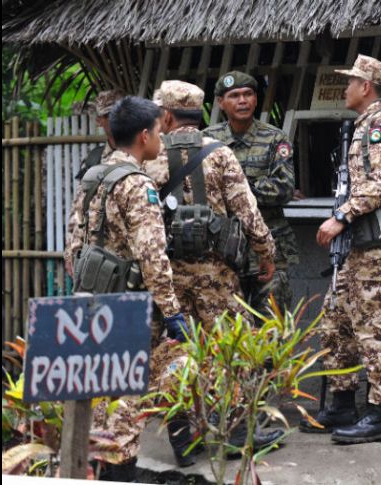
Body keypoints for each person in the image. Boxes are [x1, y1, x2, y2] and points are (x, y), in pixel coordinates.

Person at [142, 79, 283, 451]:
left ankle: (181, 432)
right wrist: (266, 254)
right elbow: (248, 213)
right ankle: (235, 432)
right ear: (201, 111)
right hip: (216, 276)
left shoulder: (150, 155)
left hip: (169, 278)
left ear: (166, 115)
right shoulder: (220, 153)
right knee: (230, 349)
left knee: (172, 352)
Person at [66, 95, 191, 480]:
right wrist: (172, 312)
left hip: (92, 300)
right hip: (131, 308)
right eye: (157, 131)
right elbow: (153, 255)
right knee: (127, 402)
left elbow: (73, 246)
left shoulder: (93, 177)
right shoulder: (138, 184)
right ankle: (120, 471)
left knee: (98, 395)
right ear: (143, 136)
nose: (160, 138)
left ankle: (101, 466)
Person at [299, 55, 381, 444]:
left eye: (351, 82)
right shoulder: (363, 125)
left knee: (376, 327)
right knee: (337, 321)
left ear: (366, 87)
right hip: (356, 246)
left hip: (374, 244)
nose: (345, 89)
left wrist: (341, 217)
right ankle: (342, 403)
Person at [203, 71, 298, 321]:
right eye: (234, 96)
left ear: (256, 100)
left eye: (248, 94)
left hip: (269, 248)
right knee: (227, 327)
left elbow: (284, 188)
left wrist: (234, 189)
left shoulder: (274, 138)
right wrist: (253, 187)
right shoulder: (208, 140)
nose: (242, 100)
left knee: (272, 324)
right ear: (221, 103)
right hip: (222, 250)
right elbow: (200, 191)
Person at [64, 89, 124, 276]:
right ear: (99, 120)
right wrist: (71, 250)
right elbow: (79, 210)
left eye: (120, 113)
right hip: (102, 256)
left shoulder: (146, 154)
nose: (115, 119)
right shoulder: (94, 160)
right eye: (109, 115)